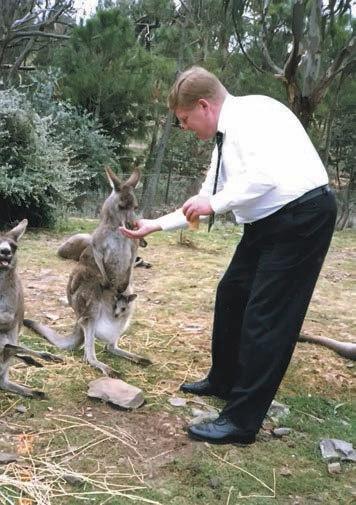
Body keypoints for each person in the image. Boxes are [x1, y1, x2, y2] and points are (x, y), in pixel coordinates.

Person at [120, 66, 337, 445]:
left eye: (186, 119)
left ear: (204, 105)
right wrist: (156, 224)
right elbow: (208, 192)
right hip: (268, 222)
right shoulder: (226, 134)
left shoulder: (252, 117)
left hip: (302, 218)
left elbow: (264, 178)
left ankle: (241, 421)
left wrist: (214, 204)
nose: (186, 128)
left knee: (267, 318)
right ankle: (224, 379)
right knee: (232, 293)